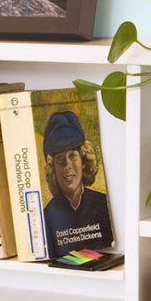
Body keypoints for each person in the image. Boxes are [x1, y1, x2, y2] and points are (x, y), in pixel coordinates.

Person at [41, 110, 112, 259]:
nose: (67, 165)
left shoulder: (105, 206)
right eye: (60, 158)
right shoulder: (46, 217)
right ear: (52, 167)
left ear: (84, 161)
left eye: (72, 156)